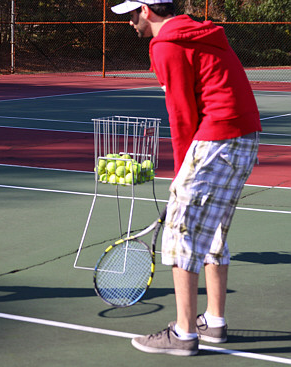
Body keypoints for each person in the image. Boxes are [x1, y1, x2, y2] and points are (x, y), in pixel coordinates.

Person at [110, 0, 262, 356]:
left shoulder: (167, 44)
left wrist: (180, 173)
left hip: (215, 140)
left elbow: (181, 116)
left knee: (181, 237)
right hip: (244, 139)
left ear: (146, 9)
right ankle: (214, 323)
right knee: (213, 233)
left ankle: (183, 333)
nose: (130, 22)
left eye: (131, 15)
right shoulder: (201, 33)